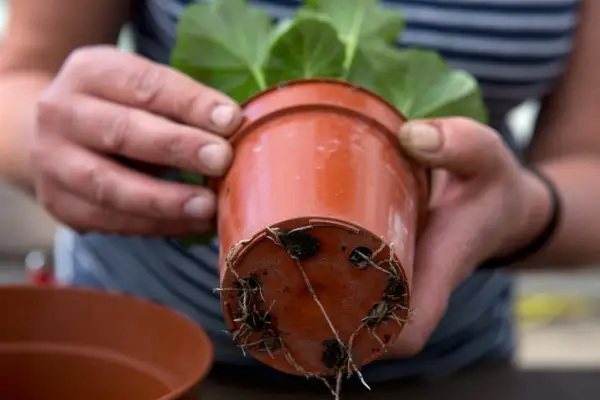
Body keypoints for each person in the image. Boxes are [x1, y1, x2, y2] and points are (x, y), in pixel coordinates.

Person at [0, 0, 595, 384]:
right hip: (137, 355)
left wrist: (527, 212)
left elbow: (588, 163)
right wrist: (49, 143)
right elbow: (18, 77)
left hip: (449, 371)